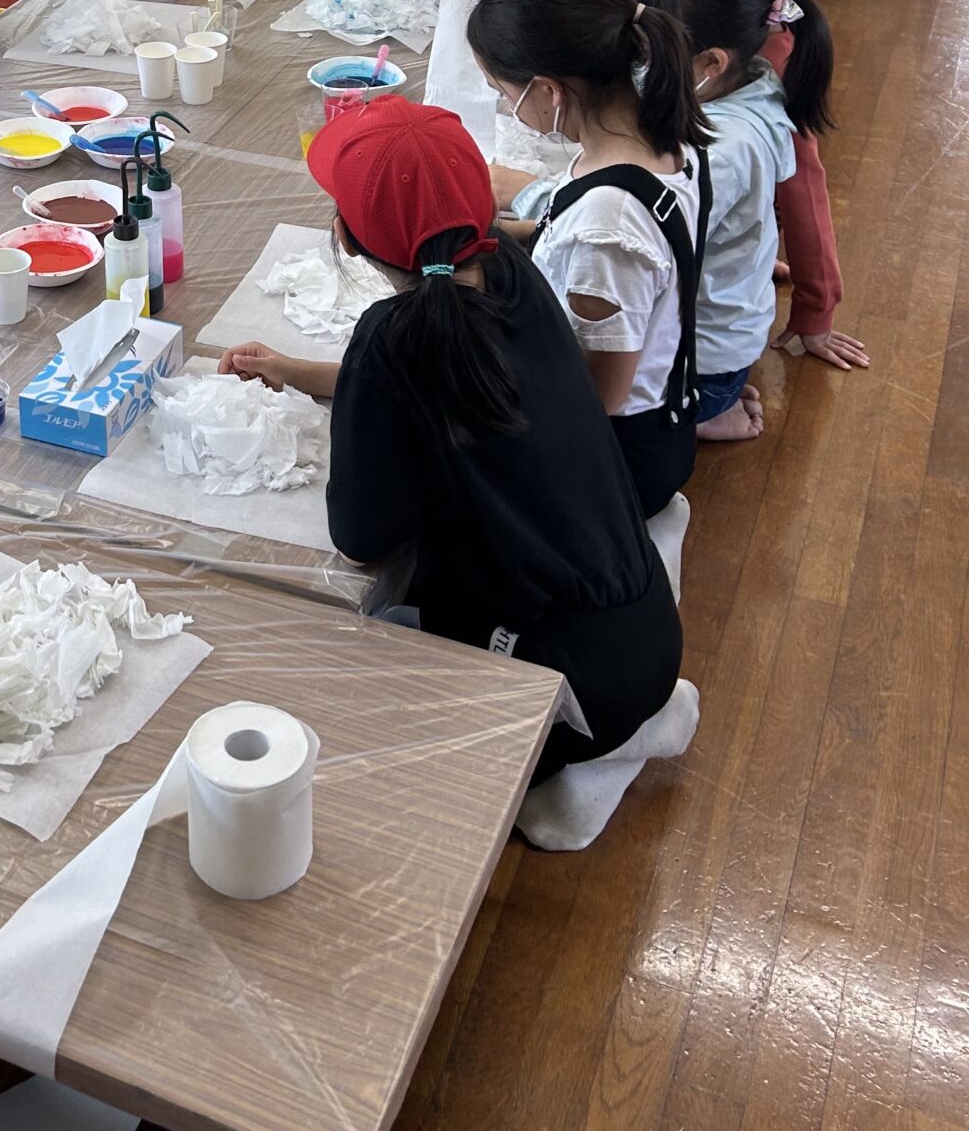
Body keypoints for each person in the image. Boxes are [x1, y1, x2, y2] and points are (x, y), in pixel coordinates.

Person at [219, 97, 681, 783]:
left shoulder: (391, 336)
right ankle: (627, 731)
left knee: (325, 727)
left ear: (346, 237)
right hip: (643, 628)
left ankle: (569, 777)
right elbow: (438, 380)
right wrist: (296, 372)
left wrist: (357, 408)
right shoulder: (512, 274)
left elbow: (360, 536)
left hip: (561, 686)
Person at [466, 0, 709, 519]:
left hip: (615, 460)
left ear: (550, 91)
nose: (506, 105)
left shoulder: (608, 226)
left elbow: (598, 396)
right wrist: (493, 235)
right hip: (645, 419)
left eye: (503, 91)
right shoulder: (664, 138)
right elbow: (568, 233)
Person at [605, 0, 864, 373]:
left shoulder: (773, 73)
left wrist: (817, 308)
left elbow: (803, 193)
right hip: (719, 220)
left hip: (713, 319)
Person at [623, 0, 801, 442]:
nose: (636, 65)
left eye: (646, 53)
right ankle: (714, 394)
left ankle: (704, 411)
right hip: (726, 338)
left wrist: (528, 195)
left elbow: (636, 224)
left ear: (711, 63)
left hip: (702, 363)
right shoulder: (757, 84)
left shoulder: (720, 151)